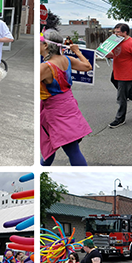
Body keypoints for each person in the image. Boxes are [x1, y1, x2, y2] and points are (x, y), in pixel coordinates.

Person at [40, 29, 92, 166]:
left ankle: (83, 182)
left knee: (72, 150)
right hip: (69, 105)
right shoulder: (67, 59)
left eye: (40, 41)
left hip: (55, 111)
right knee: (50, 146)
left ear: (46, 46)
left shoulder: (45, 67)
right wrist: (77, 51)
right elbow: (88, 66)